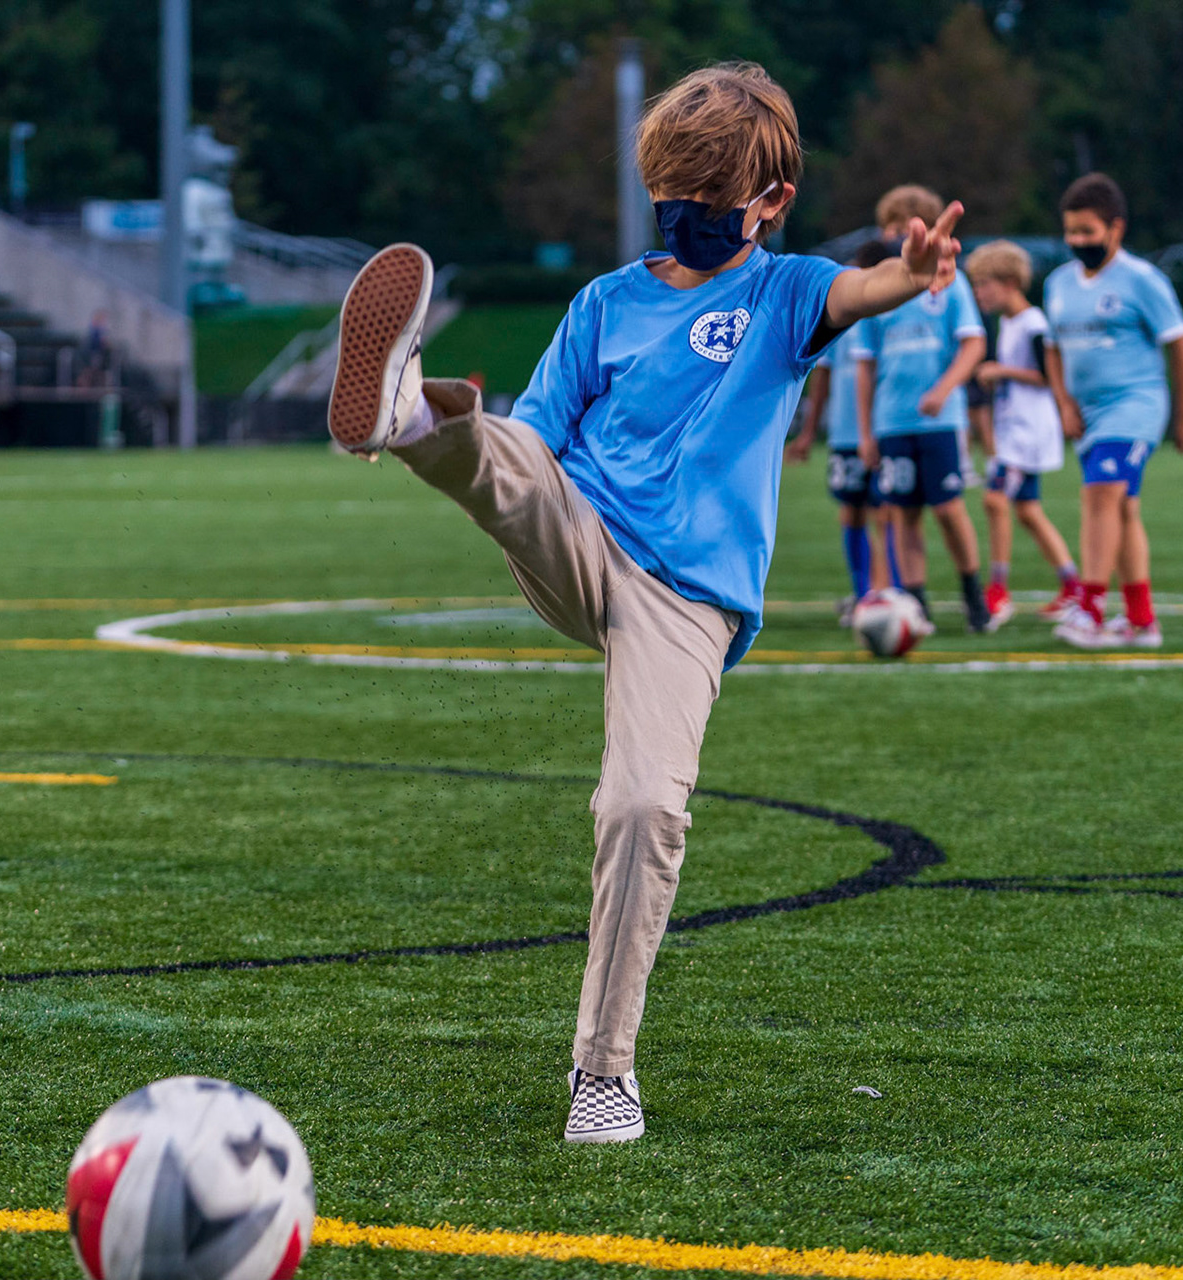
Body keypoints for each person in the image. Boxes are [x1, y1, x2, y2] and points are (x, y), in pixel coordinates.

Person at [323, 63, 966, 1144]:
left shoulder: (787, 290)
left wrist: (910, 272)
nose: (691, 220)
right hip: (582, 533)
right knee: (510, 458)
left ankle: (602, 1072)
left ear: (773, 204)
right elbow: (538, 443)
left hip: (688, 605)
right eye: (675, 198)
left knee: (642, 808)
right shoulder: (604, 302)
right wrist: (494, 449)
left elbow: (859, 294)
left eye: (717, 206)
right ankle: (409, 418)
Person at [1043, 173, 1183, 649]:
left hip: (1136, 405)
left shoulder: (1143, 280)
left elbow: (1181, 344)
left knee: (1101, 495)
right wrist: (1064, 403)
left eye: (1087, 232)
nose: (1077, 241)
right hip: (1087, 416)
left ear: (1116, 228)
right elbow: (1052, 348)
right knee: (1122, 508)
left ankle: (1090, 610)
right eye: (1071, 231)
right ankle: (1141, 619)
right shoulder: (1057, 283)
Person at [850, 184, 990, 633]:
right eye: (888, 228)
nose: (893, 236)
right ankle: (916, 605)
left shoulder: (952, 282)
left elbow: (973, 343)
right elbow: (865, 367)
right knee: (903, 515)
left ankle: (974, 596)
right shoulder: (878, 287)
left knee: (949, 510)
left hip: (940, 422)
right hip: (892, 421)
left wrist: (945, 389)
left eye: (900, 227)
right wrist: (866, 432)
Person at [964, 240, 1079, 628]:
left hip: (1029, 431)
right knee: (1027, 512)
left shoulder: (1034, 323)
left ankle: (998, 590)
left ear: (1011, 282)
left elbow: (1050, 377)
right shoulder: (1009, 323)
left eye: (984, 284)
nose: (979, 292)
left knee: (995, 500)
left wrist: (1001, 371)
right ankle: (1072, 585)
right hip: (1015, 429)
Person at [784, 238, 899, 623]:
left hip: (881, 432)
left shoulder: (890, 316)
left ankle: (888, 594)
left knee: (885, 513)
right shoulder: (841, 315)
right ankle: (862, 592)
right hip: (844, 435)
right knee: (850, 513)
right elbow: (824, 378)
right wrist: (807, 432)